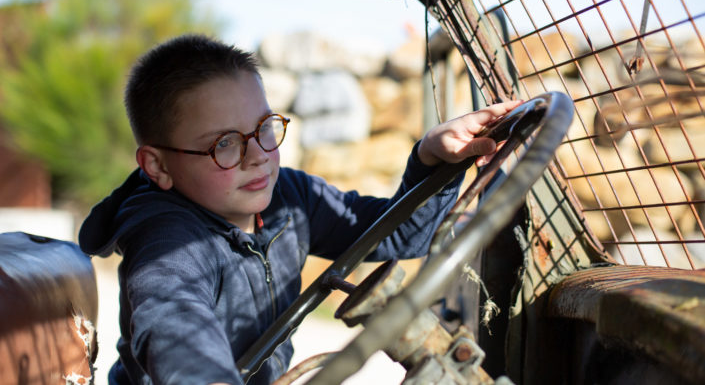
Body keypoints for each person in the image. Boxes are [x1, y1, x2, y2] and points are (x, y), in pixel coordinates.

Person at [78, 34, 521, 385]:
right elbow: (172, 317)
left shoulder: (291, 196)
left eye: (264, 128)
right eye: (223, 144)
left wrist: (431, 160)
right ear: (158, 165)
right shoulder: (166, 238)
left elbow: (400, 236)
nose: (258, 157)